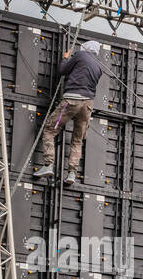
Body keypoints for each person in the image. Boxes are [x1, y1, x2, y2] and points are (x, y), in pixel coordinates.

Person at [33, 39, 102, 185]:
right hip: (87, 106)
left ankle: (48, 164)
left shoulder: (80, 56)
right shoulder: (98, 66)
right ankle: (72, 173)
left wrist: (65, 58)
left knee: (50, 130)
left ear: (85, 47)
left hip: (71, 102)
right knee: (77, 139)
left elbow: (62, 71)